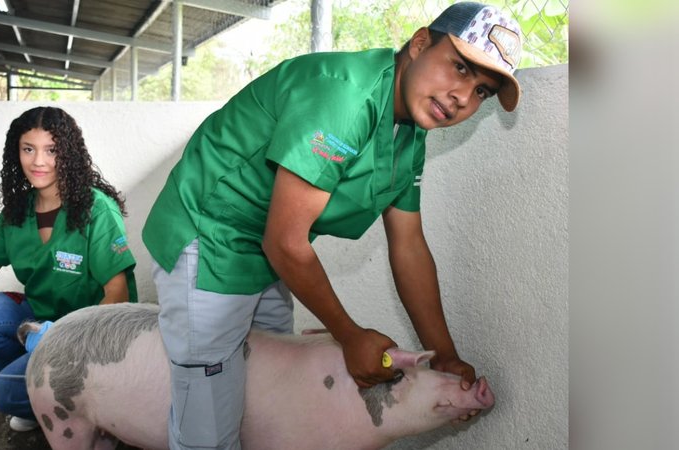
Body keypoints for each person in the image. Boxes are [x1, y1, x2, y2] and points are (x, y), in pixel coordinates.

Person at [141, 2, 523, 449]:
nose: (463, 96)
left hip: (267, 253)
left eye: (482, 91)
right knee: (206, 422)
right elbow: (285, 240)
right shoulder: (344, 98)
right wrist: (349, 334)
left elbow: (409, 246)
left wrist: (445, 357)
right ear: (419, 43)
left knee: (263, 395)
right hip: (210, 236)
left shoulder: (408, 133)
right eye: (459, 67)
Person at [0, 106, 138, 431]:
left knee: (5, 393)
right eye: (28, 149)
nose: (38, 161)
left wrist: (65, 334)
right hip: (41, 321)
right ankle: (42, 393)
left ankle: (84, 402)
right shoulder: (16, 212)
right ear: (16, 153)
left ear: (69, 154)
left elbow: (117, 293)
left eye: (51, 150)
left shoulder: (96, 209)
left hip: (95, 334)